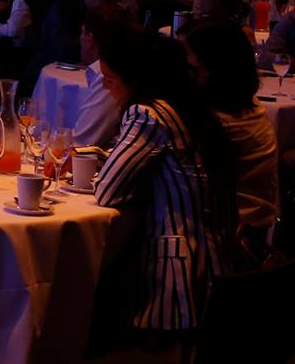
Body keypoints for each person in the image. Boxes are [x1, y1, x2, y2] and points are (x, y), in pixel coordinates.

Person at [91, 28, 237, 339]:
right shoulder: (189, 106)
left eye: (110, 79)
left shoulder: (148, 114)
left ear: (136, 79)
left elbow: (107, 191)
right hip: (219, 263)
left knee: (87, 289)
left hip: (178, 278)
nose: (104, 87)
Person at [183, 19, 280, 234]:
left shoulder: (221, 124)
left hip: (226, 240)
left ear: (211, 70)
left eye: (190, 68)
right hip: (249, 229)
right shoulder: (250, 108)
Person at [71, 4, 135, 149]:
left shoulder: (111, 74)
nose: (106, 85)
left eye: (82, 33)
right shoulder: (114, 70)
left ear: (90, 38)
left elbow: (83, 142)